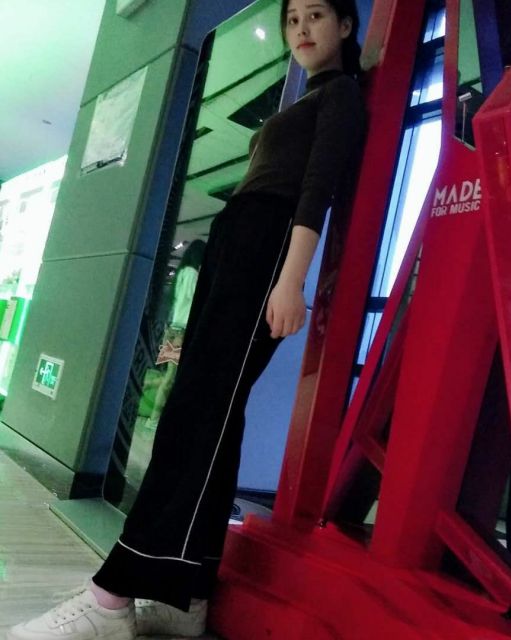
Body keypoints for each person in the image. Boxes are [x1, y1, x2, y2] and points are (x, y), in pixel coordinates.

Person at [9, 0, 367, 638]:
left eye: (316, 16)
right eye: (292, 20)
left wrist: (291, 280)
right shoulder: (309, 99)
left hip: (267, 247)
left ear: (345, 25)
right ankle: (186, 594)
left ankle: (113, 595)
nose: (301, 29)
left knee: (199, 414)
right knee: (206, 414)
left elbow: (318, 191)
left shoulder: (340, 96)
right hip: (240, 244)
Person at [145, 239, 207, 432]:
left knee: (171, 376)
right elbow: (196, 300)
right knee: (172, 378)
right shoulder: (191, 274)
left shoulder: (181, 273)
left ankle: (146, 385)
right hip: (181, 332)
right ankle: (154, 419)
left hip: (173, 329)